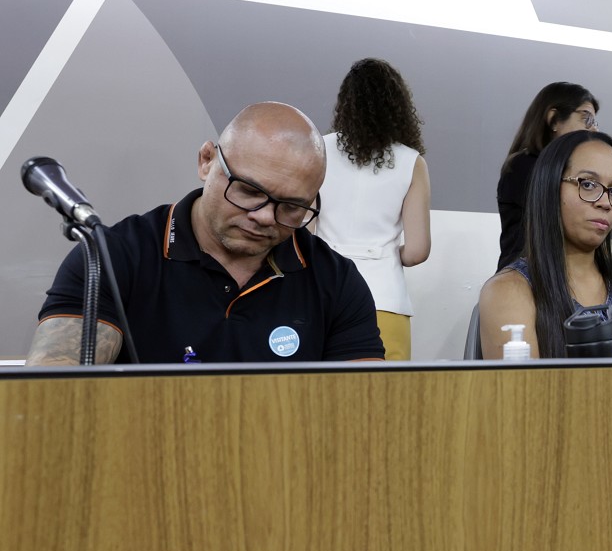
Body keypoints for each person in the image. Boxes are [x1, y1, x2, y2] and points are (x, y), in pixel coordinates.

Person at [26, 102, 384, 365]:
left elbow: (365, 415)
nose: (264, 217)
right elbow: (52, 397)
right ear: (206, 161)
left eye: (291, 206)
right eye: (249, 190)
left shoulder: (335, 280)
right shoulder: (112, 257)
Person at [478, 129, 612, 359]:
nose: (605, 202)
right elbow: (523, 384)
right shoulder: (509, 290)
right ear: (549, 187)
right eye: (588, 184)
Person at [318, 58, 432, 360]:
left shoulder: (318, 149)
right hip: (385, 300)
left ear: (345, 103)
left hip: (322, 294)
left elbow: (302, 229)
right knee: (387, 390)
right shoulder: (411, 162)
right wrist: (386, 254)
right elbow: (417, 251)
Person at [496, 81, 599, 272]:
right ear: (554, 119)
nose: (594, 129)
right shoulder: (523, 166)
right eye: (586, 119)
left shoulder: (568, 170)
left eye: (595, 122)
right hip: (526, 278)